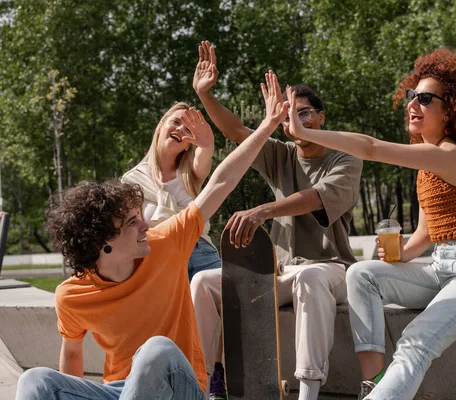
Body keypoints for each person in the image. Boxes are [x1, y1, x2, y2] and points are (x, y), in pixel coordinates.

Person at [15, 70, 290, 400]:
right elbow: (72, 356)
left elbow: (221, 181)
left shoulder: (168, 243)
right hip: (119, 391)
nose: (147, 224)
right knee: (35, 382)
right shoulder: (71, 295)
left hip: (178, 385)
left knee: (156, 351)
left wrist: (266, 127)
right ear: (104, 245)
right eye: (133, 222)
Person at [285, 48, 456, 400]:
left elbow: (369, 148)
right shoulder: (427, 170)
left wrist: (305, 132)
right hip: (441, 268)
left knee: (415, 342)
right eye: (411, 95)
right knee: (362, 273)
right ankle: (373, 382)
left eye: (426, 98)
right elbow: (424, 236)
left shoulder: (448, 155)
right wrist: (398, 252)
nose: (413, 103)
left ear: (450, 112)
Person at [191, 41, 363, 400]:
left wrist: (263, 210)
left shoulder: (345, 158)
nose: (294, 122)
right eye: (288, 116)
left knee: (312, 278)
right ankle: (208, 381)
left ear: (321, 117)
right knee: (203, 283)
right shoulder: (281, 156)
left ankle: (308, 391)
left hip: (331, 269)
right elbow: (238, 133)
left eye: (303, 113)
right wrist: (205, 95)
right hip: (281, 271)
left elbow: (315, 198)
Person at [122, 101, 220, 281]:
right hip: (160, 260)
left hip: (202, 254)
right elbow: (131, 232)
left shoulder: (191, 172)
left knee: (224, 305)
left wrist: (207, 144)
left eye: (188, 130)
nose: (181, 129)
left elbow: (204, 155)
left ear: (188, 145)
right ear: (160, 127)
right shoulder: (132, 181)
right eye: (176, 122)